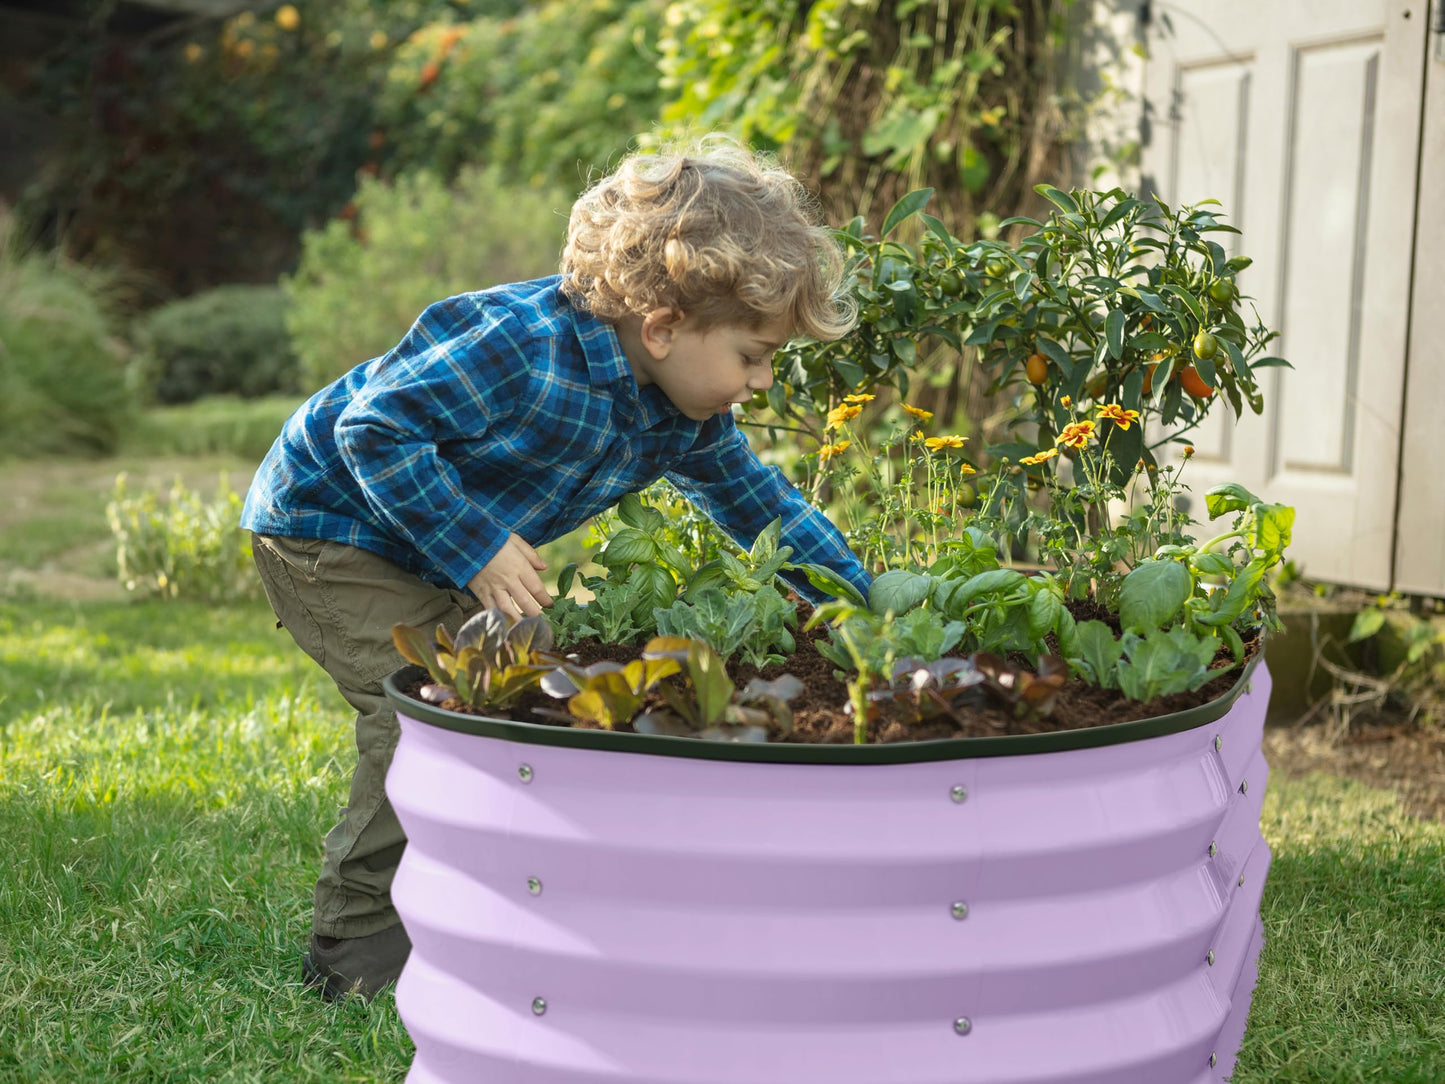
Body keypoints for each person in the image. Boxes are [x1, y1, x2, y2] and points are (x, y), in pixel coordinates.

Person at [241, 136, 871, 1001]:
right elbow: (374, 432)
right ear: (662, 327)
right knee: (431, 714)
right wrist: (475, 545)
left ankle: (488, 908)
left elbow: (761, 509)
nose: (759, 383)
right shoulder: (518, 343)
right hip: (328, 525)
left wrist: (863, 604)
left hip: (428, 530)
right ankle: (350, 961)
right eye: (752, 356)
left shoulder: (681, 413)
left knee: (522, 682)